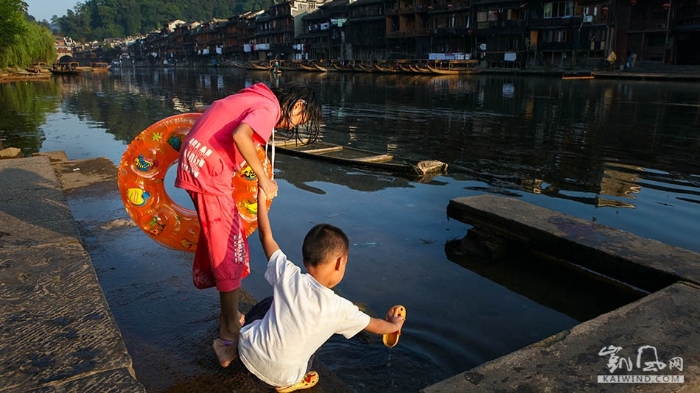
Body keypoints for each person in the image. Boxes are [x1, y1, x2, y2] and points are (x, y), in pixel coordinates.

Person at [175, 81, 322, 368]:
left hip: (196, 162)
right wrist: (265, 180)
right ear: (298, 105)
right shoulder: (269, 107)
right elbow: (241, 135)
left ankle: (227, 317)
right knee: (230, 247)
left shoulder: (254, 96)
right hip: (208, 172)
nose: (292, 127)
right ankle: (228, 336)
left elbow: (215, 114)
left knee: (224, 240)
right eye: (299, 120)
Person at [237, 187, 406, 392]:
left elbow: (266, 236)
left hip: (246, 351)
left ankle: (242, 324)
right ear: (339, 263)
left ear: (305, 258)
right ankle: (290, 383)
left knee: (269, 302)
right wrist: (395, 324)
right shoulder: (341, 308)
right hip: (282, 375)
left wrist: (261, 198)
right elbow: (378, 327)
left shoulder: (287, 274)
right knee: (313, 344)